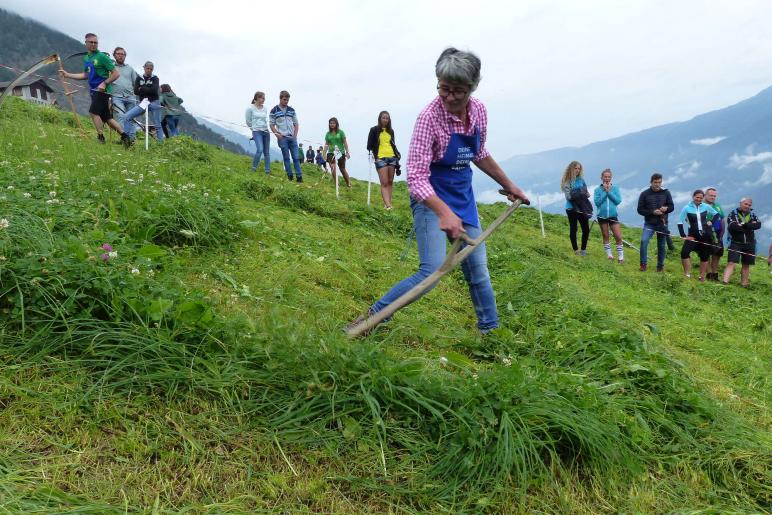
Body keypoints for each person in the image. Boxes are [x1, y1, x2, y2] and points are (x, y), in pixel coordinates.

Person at [348, 47, 529, 335]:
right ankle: (370, 320)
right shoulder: (428, 118)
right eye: (444, 89)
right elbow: (416, 177)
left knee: (478, 271)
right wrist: (443, 212)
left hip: (462, 197)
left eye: (458, 91)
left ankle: (492, 334)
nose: (449, 97)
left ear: (472, 87)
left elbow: (479, 152)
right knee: (432, 270)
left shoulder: (479, 111)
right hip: (429, 198)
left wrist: (510, 186)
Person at [58, 33, 131, 147]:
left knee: (93, 112)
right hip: (93, 90)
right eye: (91, 42)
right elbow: (85, 75)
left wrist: (104, 83)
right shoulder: (87, 58)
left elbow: (116, 74)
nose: (93, 44)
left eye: (95, 42)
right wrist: (68, 75)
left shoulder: (102, 57)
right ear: (86, 43)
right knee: (106, 117)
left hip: (102, 91)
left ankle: (101, 137)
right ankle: (126, 138)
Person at [677, 189, 718, 281]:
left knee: (704, 256)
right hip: (692, 235)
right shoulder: (686, 208)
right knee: (684, 253)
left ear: (703, 198)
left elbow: (716, 214)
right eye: (697, 197)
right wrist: (683, 235)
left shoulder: (706, 206)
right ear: (693, 197)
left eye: (701, 198)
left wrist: (711, 222)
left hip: (705, 235)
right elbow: (680, 221)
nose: (699, 199)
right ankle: (687, 274)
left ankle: (701, 277)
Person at [637, 173, 674, 272]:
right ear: (651, 182)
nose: (657, 184)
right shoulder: (644, 194)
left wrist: (666, 209)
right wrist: (652, 212)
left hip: (662, 223)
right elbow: (640, 209)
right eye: (655, 182)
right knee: (644, 241)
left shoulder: (666, 193)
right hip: (649, 223)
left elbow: (672, 207)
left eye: (659, 182)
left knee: (661, 246)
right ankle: (643, 264)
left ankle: (660, 267)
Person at [722, 197, 761, 287]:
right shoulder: (732, 214)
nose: (747, 206)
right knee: (731, 262)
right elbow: (733, 226)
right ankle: (724, 282)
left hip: (750, 243)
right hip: (736, 243)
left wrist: (744, 225)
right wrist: (750, 226)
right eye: (745, 204)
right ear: (740, 203)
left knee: (746, 264)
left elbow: (758, 225)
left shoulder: (753, 215)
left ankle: (744, 284)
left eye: (749, 205)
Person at [122, 61, 164, 142]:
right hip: (143, 103)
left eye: (151, 69)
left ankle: (161, 143)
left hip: (154, 102)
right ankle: (127, 139)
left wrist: (142, 88)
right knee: (127, 116)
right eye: (147, 68)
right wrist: (148, 89)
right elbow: (135, 91)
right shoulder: (139, 78)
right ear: (144, 68)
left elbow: (154, 91)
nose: (149, 70)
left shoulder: (155, 78)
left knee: (158, 124)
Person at [367, 111, 401, 210]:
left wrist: (396, 156)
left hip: (392, 157)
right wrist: (375, 156)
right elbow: (369, 145)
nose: (385, 120)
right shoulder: (374, 130)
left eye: (387, 118)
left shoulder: (391, 131)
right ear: (380, 119)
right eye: (383, 118)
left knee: (390, 182)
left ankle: (388, 204)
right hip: (380, 158)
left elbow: (393, 144)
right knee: (384, 182)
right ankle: (388, 205)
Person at [269, 91, 302, 182]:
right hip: (282, 138)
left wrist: (295, 135)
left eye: (287, 100)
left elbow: (296, 124)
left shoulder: (292, 110)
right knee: (286, 158)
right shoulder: (274, 110)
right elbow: (271, 124)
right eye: (284, 100)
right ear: (280, 98)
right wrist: (277, 134)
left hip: (292, 138)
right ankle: (290, 176)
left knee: (296, 157)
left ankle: (299, 177)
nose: (286, 101)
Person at [560, 161, 591, 256]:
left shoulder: (581, 180)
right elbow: (569, 197)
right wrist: (581, 192)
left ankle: (583, 250)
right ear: (571, 169)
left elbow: (587, 193)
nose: (577, 170)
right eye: (575, 168)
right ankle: (576, 250)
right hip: (571, 208)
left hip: (582, 208)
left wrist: (578, 192)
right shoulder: (567, 181)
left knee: (586, 229)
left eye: (579, 168)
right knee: (574, 229)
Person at [593, 168, 624, 263]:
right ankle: (609, 255)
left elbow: (618, 201)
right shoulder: (597, 190)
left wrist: (609, 192)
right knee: (605, 235)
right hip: (601, 216)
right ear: (601, 177)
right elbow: (597, 202)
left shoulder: (615, 188)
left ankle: (621, 257)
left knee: (618, 236)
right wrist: (605, 192)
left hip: (613, 216)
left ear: (611, 178)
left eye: (609, 177)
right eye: (605, 177)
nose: (607, 178)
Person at [110, 46, 138, 138]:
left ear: (125, 56)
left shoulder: (130, 69)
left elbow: (136, 83)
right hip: (116, 96)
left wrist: (135, 93)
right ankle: (125, 138)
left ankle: (131, 139)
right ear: (114, 55)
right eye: (118, 54)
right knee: (120, 116)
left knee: (132, 118)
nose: (121, 56)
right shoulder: (111, 67)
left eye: (123, 54)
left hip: (130, 97)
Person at [245, 91, 270, 173]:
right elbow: (248, 121)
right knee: (260, 149)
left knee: (266, 152)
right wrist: (254, 129)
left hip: (266, 131)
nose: (264, 100)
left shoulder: (265, 108)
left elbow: (264, 120)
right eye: (262, 98)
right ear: (257, 98)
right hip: (256, 132)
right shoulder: (250, 108)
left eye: (264, 98)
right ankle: (253, 168)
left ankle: (267, 170)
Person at [703, 187, 725, 281]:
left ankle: (714, 273)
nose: (713, 197)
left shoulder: (717, 206)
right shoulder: (701, 205)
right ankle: (709, 274)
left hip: (718, 233)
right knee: (706, 253)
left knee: (717, 253)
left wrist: (722, 232)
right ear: (705, 195)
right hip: (705, 232)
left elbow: (722, 218)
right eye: (711, 195)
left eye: (714, 196)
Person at [324, 117, 352, 188]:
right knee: (333, 167)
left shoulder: (341, 132)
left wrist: (347, 152)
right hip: (331, 153)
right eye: (330, 123)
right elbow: (326, 144)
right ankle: (337, 184)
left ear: (336, 124)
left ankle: (349, 184)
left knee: (342, 169)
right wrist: (324, 153)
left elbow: (345, 142)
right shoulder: (328, 134)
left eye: (333, 123)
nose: (332, 124)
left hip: (340, 152)